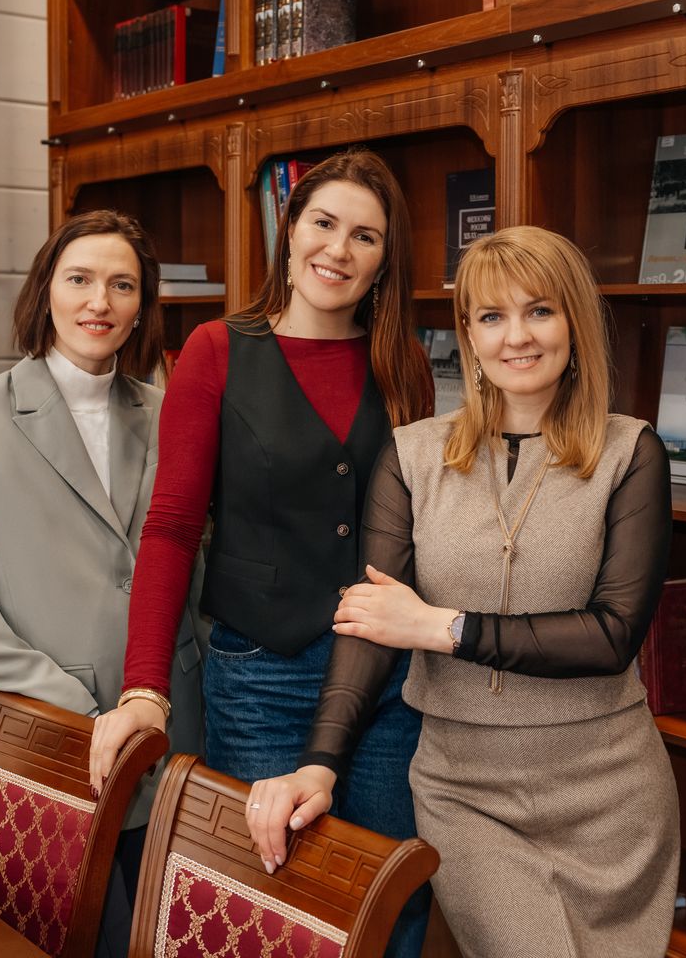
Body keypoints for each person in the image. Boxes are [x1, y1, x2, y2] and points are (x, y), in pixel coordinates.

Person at [246, 225, 681, 957]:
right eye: (491, 316)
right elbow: (372, 622)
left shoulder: (631, 451)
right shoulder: (411, 455)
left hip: (613, 792)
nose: (517, 336)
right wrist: (319, 763)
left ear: (574, 320)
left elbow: (612, 636)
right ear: (469, 335)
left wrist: (441, 627)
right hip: (466, 792)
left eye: (540, 311)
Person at [87, 149, 433, 955]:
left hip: (385, 686)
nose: (338, 249)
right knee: (270, 906)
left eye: (365, 236)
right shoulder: (217, 349)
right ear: (290, 230)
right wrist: (144, 688)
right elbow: (172, 526)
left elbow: (415, 526)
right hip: (261, 679)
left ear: (386, 260)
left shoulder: (404, 364)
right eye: (323, 224)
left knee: (390, 903)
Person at [0, 209, 206, 958]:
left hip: (174, 725)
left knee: (169, 936)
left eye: (122, 285)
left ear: (142, 306)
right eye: (80, 279)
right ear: (46, 290)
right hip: (56, 734)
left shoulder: (170, 410)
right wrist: (73, 703)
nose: (99, 302)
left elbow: (194, 560)